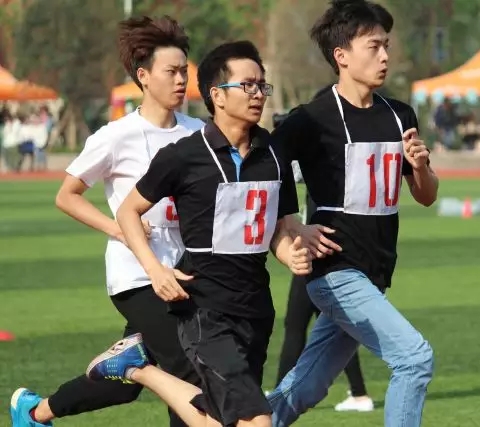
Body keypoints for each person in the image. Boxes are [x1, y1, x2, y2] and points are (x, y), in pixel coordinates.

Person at [84, 40, 314, 427]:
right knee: (256, 421)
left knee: (220, 422)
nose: (258, 94)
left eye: (262, 85)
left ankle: (134, 366)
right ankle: (140, 370)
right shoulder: (184, 155)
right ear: (217, 95)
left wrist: (287, 250)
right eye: (247, 85)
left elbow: (276, 226)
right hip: (204, 310)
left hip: (256, 308)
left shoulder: (274, 153)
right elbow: (127, 211)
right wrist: (155, 270)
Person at [10, 15, 203, 427]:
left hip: (185, 268)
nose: (181, 80)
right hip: (136, 274)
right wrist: (120, 229)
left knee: (125, 381)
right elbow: (67, 195)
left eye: (184, 71)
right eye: (171, 72)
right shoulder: (116, 136)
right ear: (143, 76)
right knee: (187, 370)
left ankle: (35, 412)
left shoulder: (198, 132)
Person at [266, 1, 439, 426]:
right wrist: (291, 225)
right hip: (334, 272)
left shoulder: (400, 115)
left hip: (376, 273)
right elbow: (266, 168)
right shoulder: (312, 118)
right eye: (373, 46)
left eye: (386, 46)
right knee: (414, 358)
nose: (385, 56)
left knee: (305, 387)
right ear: (341, 55)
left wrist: (420, 167)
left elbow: (426, 196)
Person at [272, 85, 374, 413]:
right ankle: (358, 393)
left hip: (319, 249)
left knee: (297, 325)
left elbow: (288, 172)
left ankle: (280, 395)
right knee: (335, 328)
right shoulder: (337, 154)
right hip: (331, 248)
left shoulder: (325, 155)